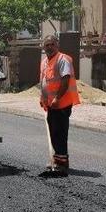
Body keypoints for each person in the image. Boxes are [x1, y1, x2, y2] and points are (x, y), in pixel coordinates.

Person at [39, 34, 81, 177]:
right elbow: (45, 81)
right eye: (47, 45)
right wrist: (42, 98)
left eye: (52, 44)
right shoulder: (45, 62)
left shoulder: (63, 59)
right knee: (53, 132)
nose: (49, 47)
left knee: (60, 133)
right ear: (43, 48)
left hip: (62, 103)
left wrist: (57, 98)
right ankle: (57, 160)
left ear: (57, 45)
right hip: (51, 104)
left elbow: (65, 79)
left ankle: (62, 163)